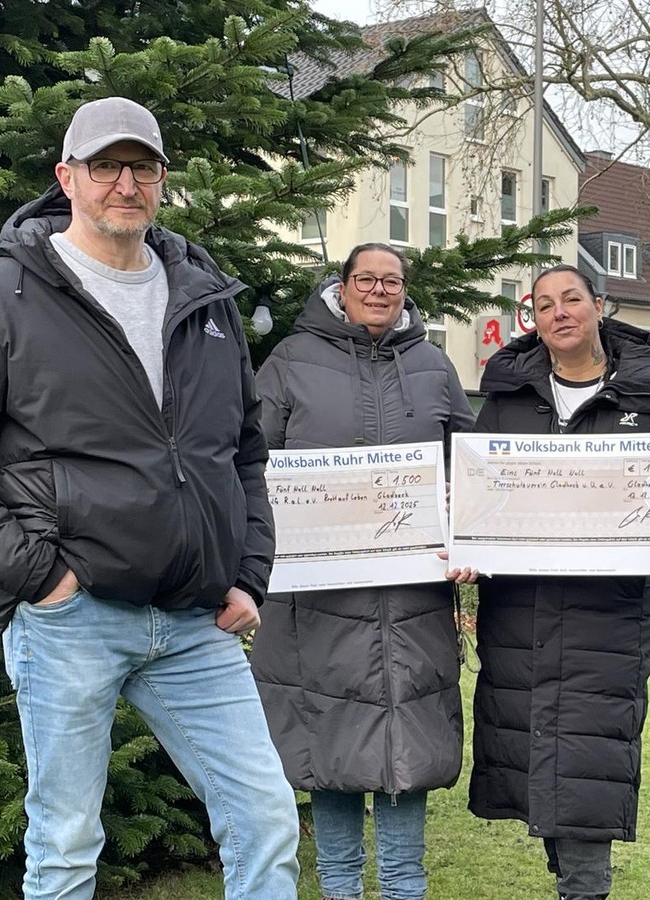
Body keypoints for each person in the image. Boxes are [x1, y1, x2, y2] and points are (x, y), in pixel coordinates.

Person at [0, 96, 300, 900]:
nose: (126, 183)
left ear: (161, 181)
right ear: (66, 178)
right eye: (106, 166)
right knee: (67, 844)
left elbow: (242, 451)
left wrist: (248, 573)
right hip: (71, 617)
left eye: (142, 166)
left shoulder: (207, 303)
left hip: (195, 621)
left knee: (266, 818)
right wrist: (41, 579)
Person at [463, 265, 650, 900]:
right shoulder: (506, 397)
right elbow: (478, 494)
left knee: (592, 745)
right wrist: (468, 546)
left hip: (611, 609)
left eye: (572, 299)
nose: (559, 312)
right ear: (531, 320)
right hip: (519, 605)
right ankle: (567, 867)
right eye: (544, 305)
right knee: (534, 740)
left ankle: (584, 886)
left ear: (600, 306)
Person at [250, 243, 475, 900]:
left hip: (412, 609)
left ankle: (406, 890)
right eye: (366, 279)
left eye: (393, 280)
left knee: (407, 759)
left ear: (405, 290)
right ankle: (341, 890)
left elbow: (469, 469)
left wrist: (467, 529)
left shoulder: (433, 367)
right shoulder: (290, 362)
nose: (379, 290)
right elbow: (246, 462)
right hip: (315, 611)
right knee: (330, 757)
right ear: (341, 287)